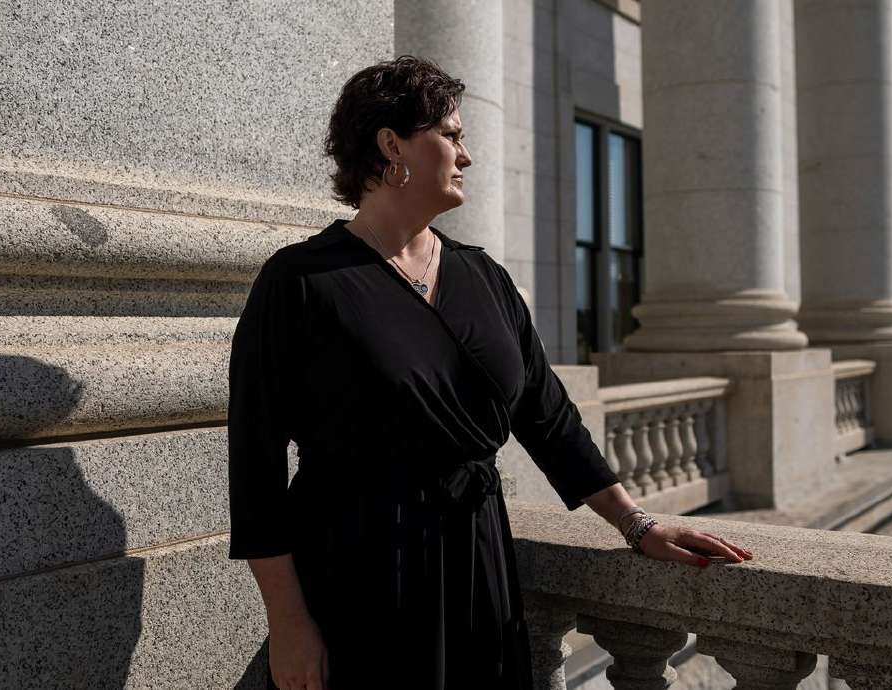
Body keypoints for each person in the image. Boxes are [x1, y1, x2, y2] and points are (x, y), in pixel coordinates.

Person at [227, 55, 753, 690]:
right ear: (392, 145)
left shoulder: (485, 278)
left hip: (479, 561)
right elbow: (254, 467)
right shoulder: (301, 282)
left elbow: (549, 418)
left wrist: (635, 522)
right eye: (450, 136)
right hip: (358, 568)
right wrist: (289, 623)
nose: (466, 155)